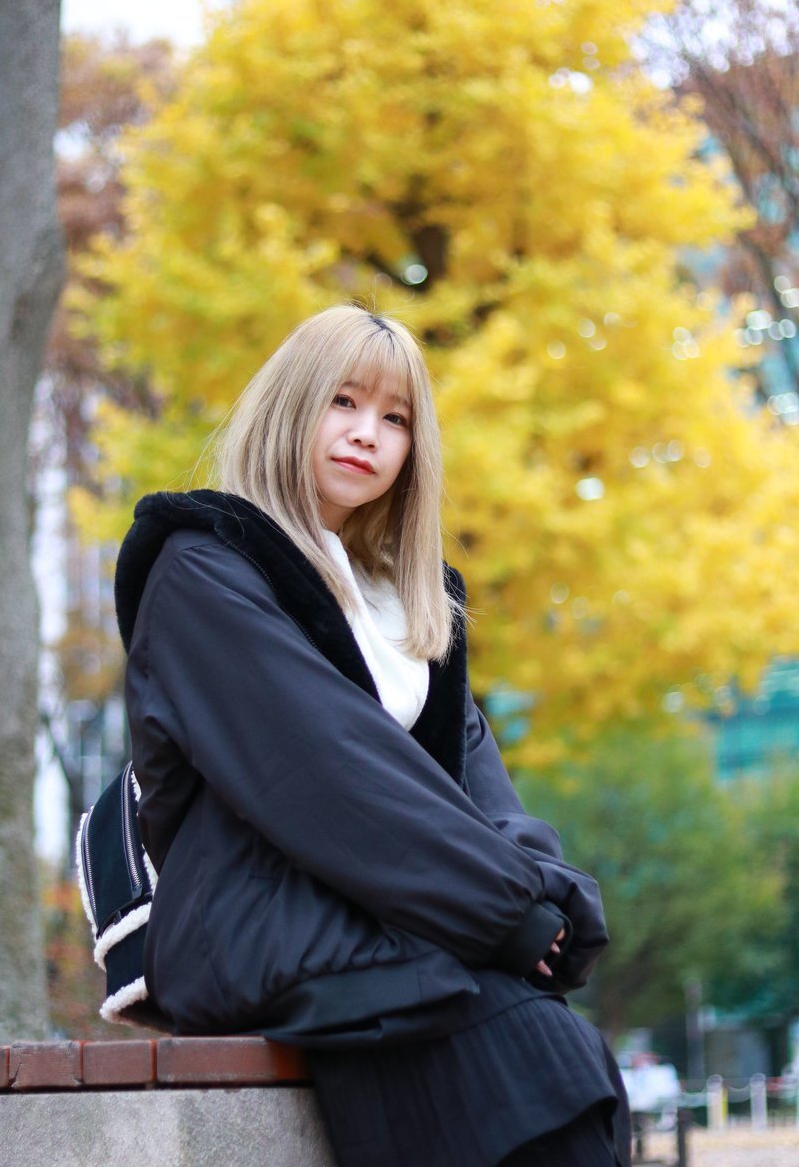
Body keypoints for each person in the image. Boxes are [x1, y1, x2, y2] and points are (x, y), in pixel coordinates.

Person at [115, 304, 631, 1167]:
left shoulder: (411, 603)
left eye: (396, 419)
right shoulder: (205, 565)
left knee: (562, 1057)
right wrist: (509, 912)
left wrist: (547, 895)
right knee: (519, 1054)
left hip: (409, 920)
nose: (368, 434)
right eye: (344, 402)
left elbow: (477, 787)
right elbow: (325, 771)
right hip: (266, 922)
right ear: (292, 404)